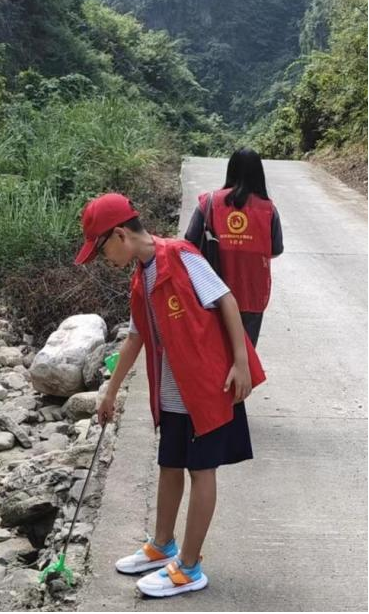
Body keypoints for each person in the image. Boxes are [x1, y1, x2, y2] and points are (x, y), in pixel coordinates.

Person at [75, 192, 266, 599]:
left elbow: (227, 299)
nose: (104, 259)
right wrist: (110, 393)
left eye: (102, 250)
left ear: (120, 235)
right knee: (170, 464)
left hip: (208, 387)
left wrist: (240, 362)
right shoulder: (141, 276)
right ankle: (163, 545)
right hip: (173, 391)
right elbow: (136, 337)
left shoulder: (181, 256)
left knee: (201, 470)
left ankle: (190, 567)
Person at [185, 147, 284, 347]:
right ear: (259, 174)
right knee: (246, 355)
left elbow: (190, 241)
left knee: (214, 353)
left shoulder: (209, 203)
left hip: (212, 293)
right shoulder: (268, 210)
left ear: (231, 170)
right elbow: (276, 249)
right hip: (252, 294)